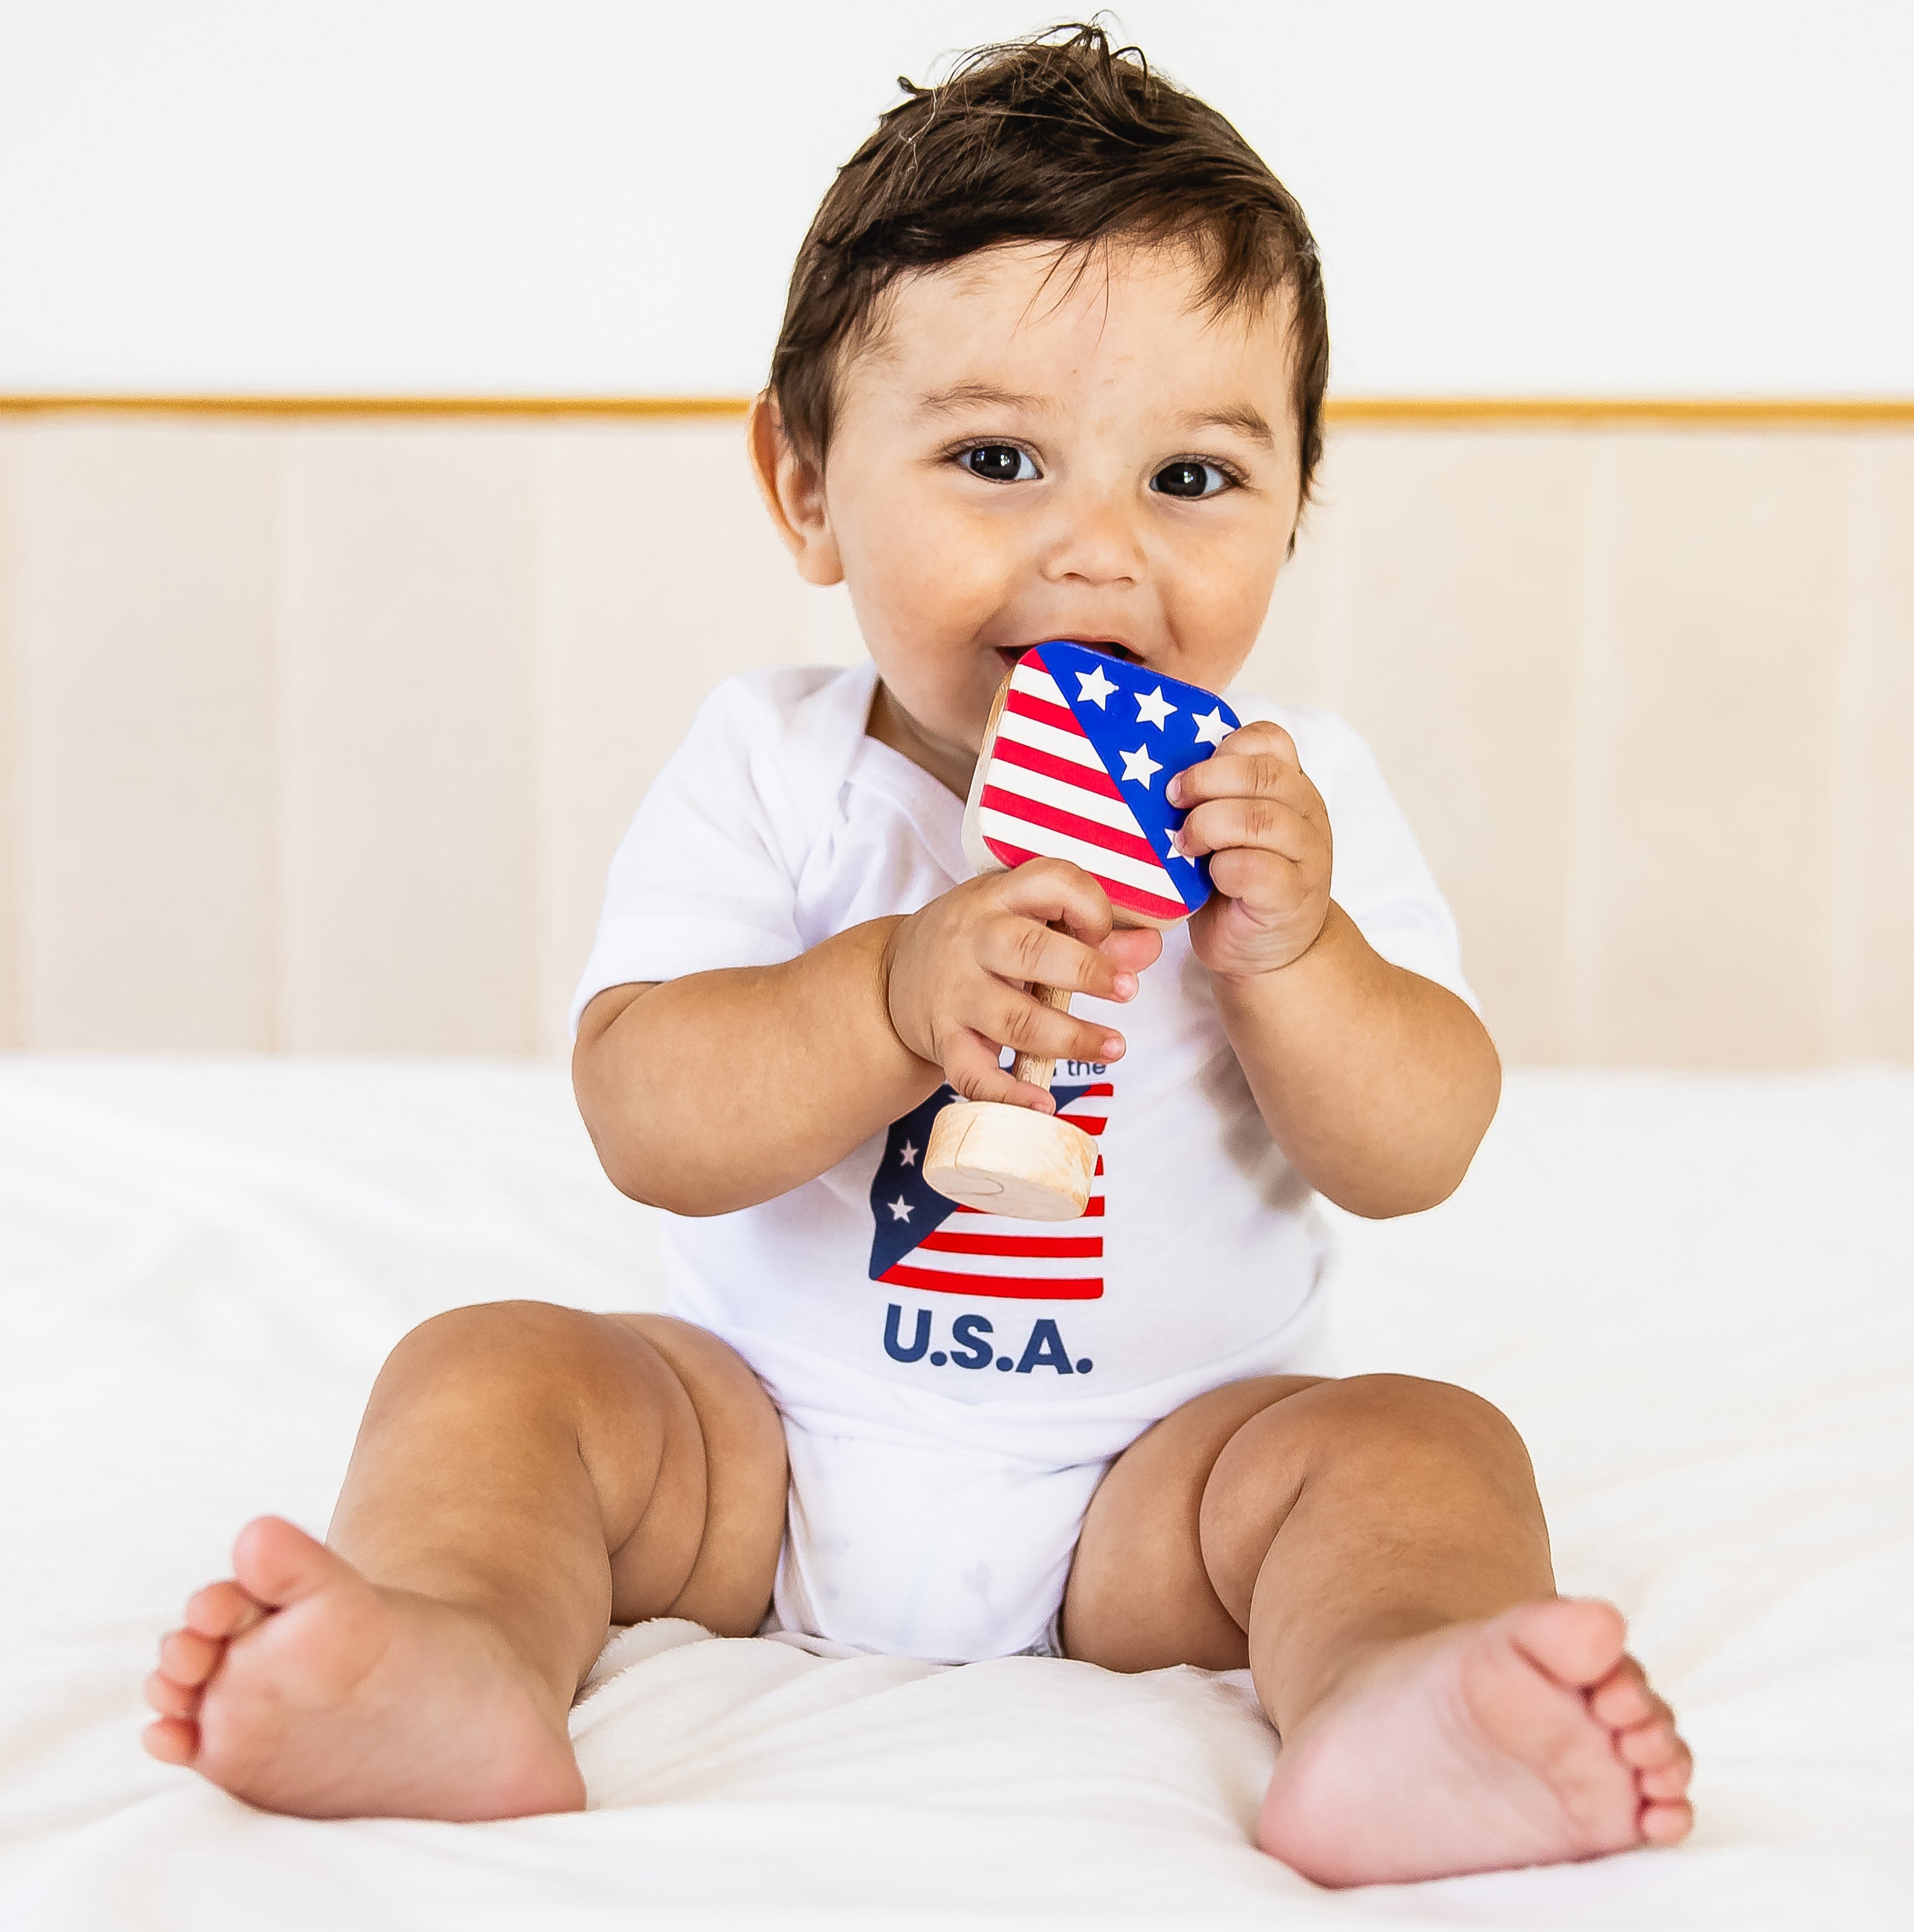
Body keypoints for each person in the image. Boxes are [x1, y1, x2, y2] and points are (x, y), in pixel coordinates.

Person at [141, 27, 1692, 1885]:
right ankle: (457, 1650)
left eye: (1192, 479)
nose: (1100, 557)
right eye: (996, 458)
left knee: (1419, 1448)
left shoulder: (1295, 802)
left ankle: (1390, 1700)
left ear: (1294, 510)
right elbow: (647, 1106)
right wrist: (883, 990)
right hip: (756, 1452)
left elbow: (1416, 1146)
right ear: (805, 488)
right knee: (486, 1370)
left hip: (1161, 1485)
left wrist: (1298, 950)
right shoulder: (771, 770)